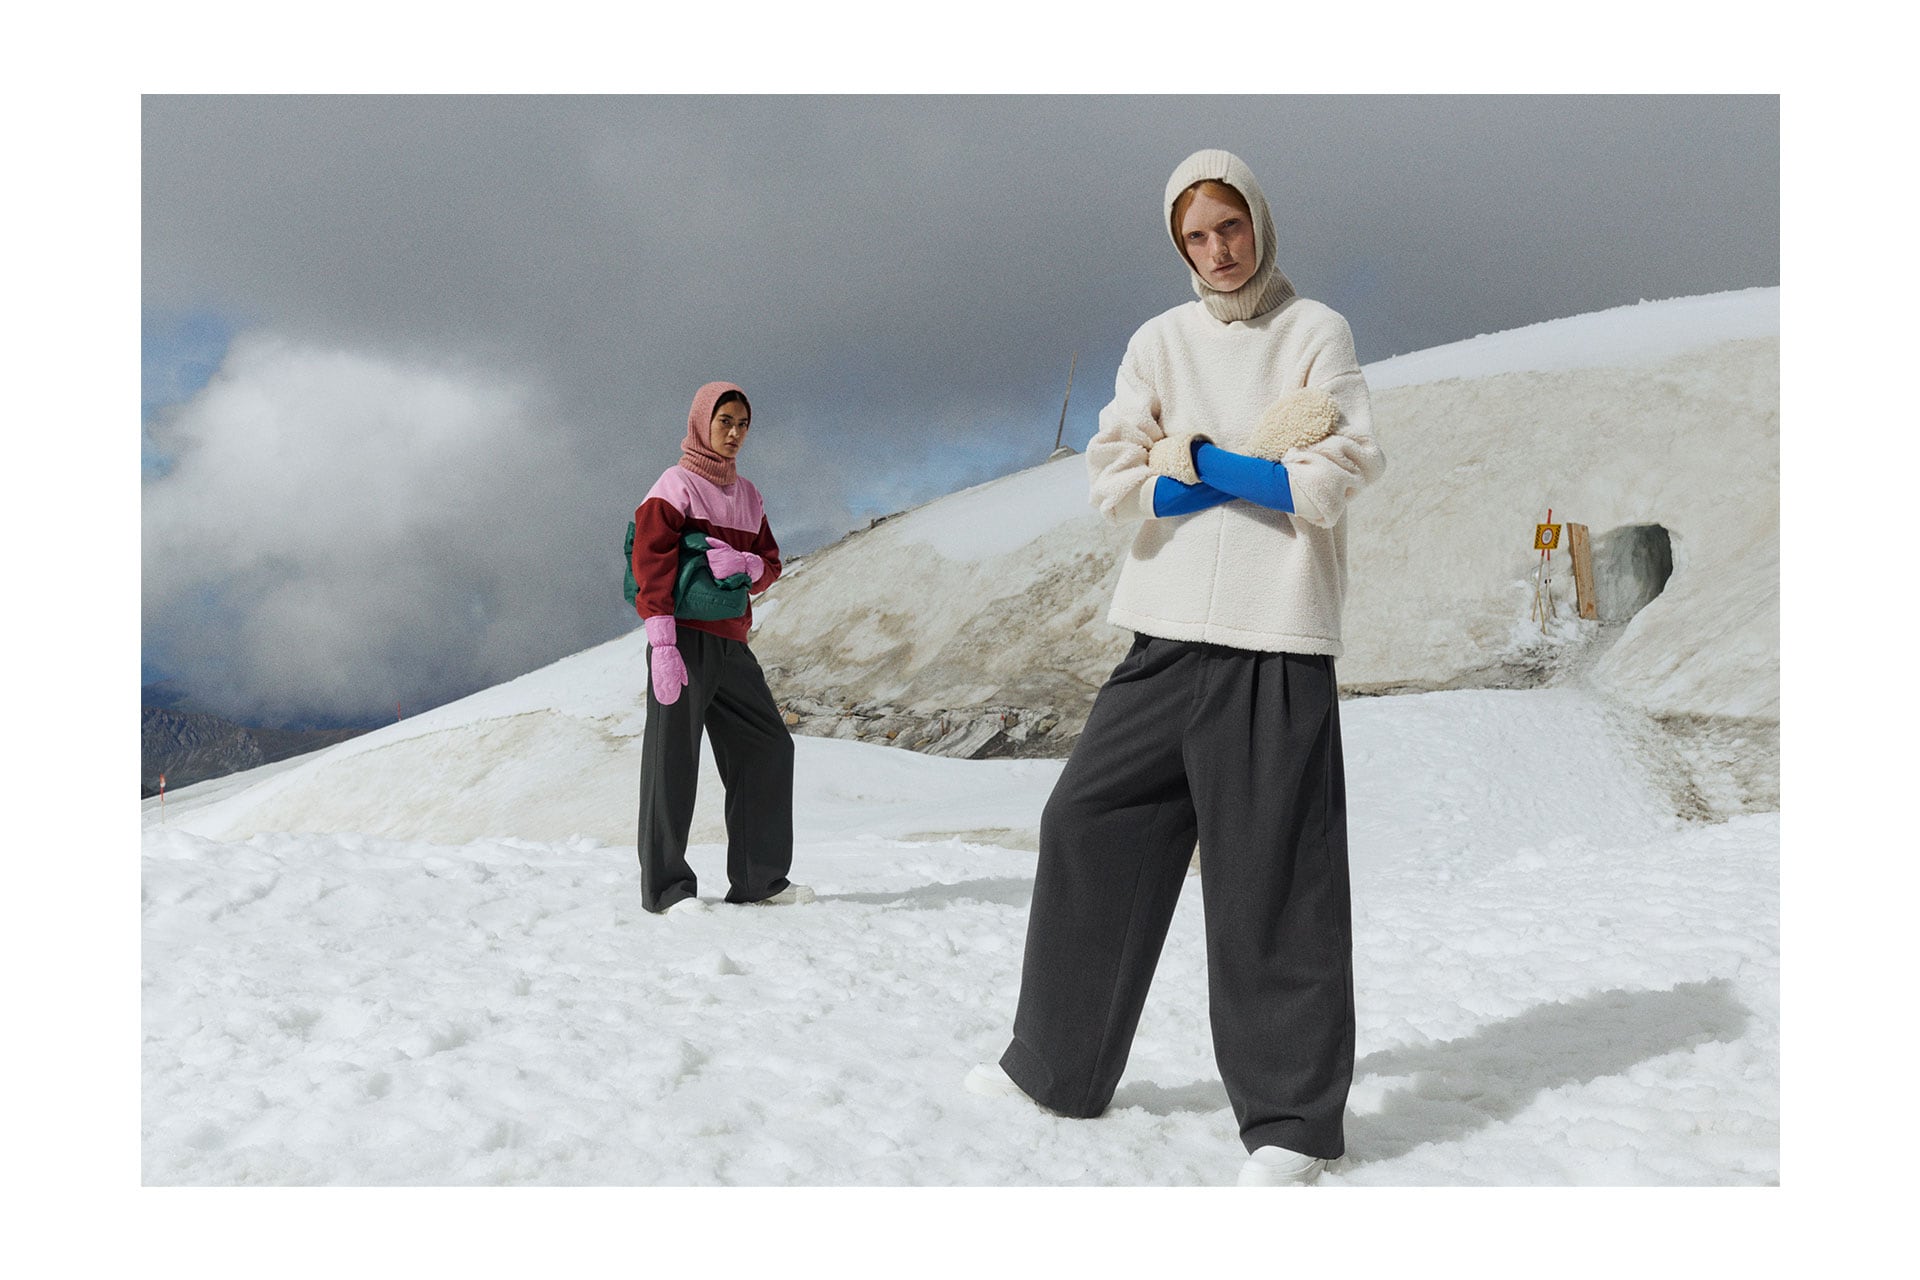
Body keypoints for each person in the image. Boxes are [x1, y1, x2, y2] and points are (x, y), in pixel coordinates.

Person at [966, 149, 1385, 1185]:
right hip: (1162, 634)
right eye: (1195, 235)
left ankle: (1291, 1120)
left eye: (1230, 227)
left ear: (1260, 222)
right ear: (1177, 241)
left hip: (1273, 634)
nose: (1217, 249)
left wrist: (1195, 458)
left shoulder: (1314, 331)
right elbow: (1115, 478)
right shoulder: (1158, 342)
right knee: (1086, 822)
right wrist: (1217, 472)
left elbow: (1332, 473)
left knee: (1269, 878)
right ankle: (1058, 1065)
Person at [630, 380, 813, 914]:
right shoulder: (674, 486)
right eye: (724, 421)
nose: (734, 434)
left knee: (768, 747)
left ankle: (760, 880)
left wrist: (751, 565)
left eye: (742, 425)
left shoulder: (749, 495)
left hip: (732, 644)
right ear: (701, 422)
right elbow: (652, 564)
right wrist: (661, 641)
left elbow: (771, 562)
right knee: (673, 759)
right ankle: (668, 892)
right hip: (682, 641)